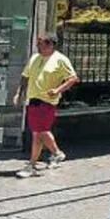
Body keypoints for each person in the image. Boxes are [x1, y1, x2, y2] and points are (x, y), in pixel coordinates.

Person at [14, 35, 79, 178]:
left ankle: (41, 160)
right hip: (33, 98)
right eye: (38, 44)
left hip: (47, 100)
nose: (38, 47)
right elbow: (25, 76)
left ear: (51, 45)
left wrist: (57, 90)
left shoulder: (60, 59)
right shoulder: (34, 58)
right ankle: (47, 157)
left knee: (41, 131)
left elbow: (73, 78)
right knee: (37, 133)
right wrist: (19, 93)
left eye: (41, 44)